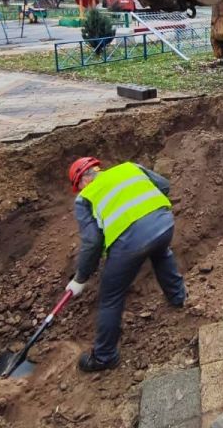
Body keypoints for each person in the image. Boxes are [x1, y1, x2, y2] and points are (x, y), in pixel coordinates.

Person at [65, 156, 186, 373]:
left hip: (131, 243)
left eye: (78, 186)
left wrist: (80, 278)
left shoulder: (85, 198)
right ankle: (178, 297)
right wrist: (150, 217)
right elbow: (164, 186)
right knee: (161, 253)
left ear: (81, 182)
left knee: (111, 296)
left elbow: (92, 241)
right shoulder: (129, 168)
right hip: (164, 224)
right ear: (96, 169)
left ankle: (104, 357)